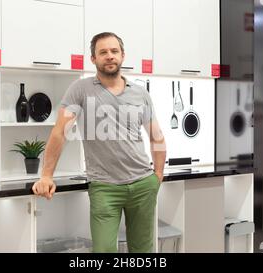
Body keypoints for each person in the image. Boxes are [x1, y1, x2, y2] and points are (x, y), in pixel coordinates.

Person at [32, 32, 166, 253]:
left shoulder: (140, 94)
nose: (109, 56)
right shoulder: (81, 90)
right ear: (93, 59)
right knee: (103, 251)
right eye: (103, 52)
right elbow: (59, 133)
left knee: (142, 252)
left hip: (143, 185)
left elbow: (156, 136)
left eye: (114, 51)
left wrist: (157, 176)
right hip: (105, 188)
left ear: (123, 55)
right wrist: (46, 175)